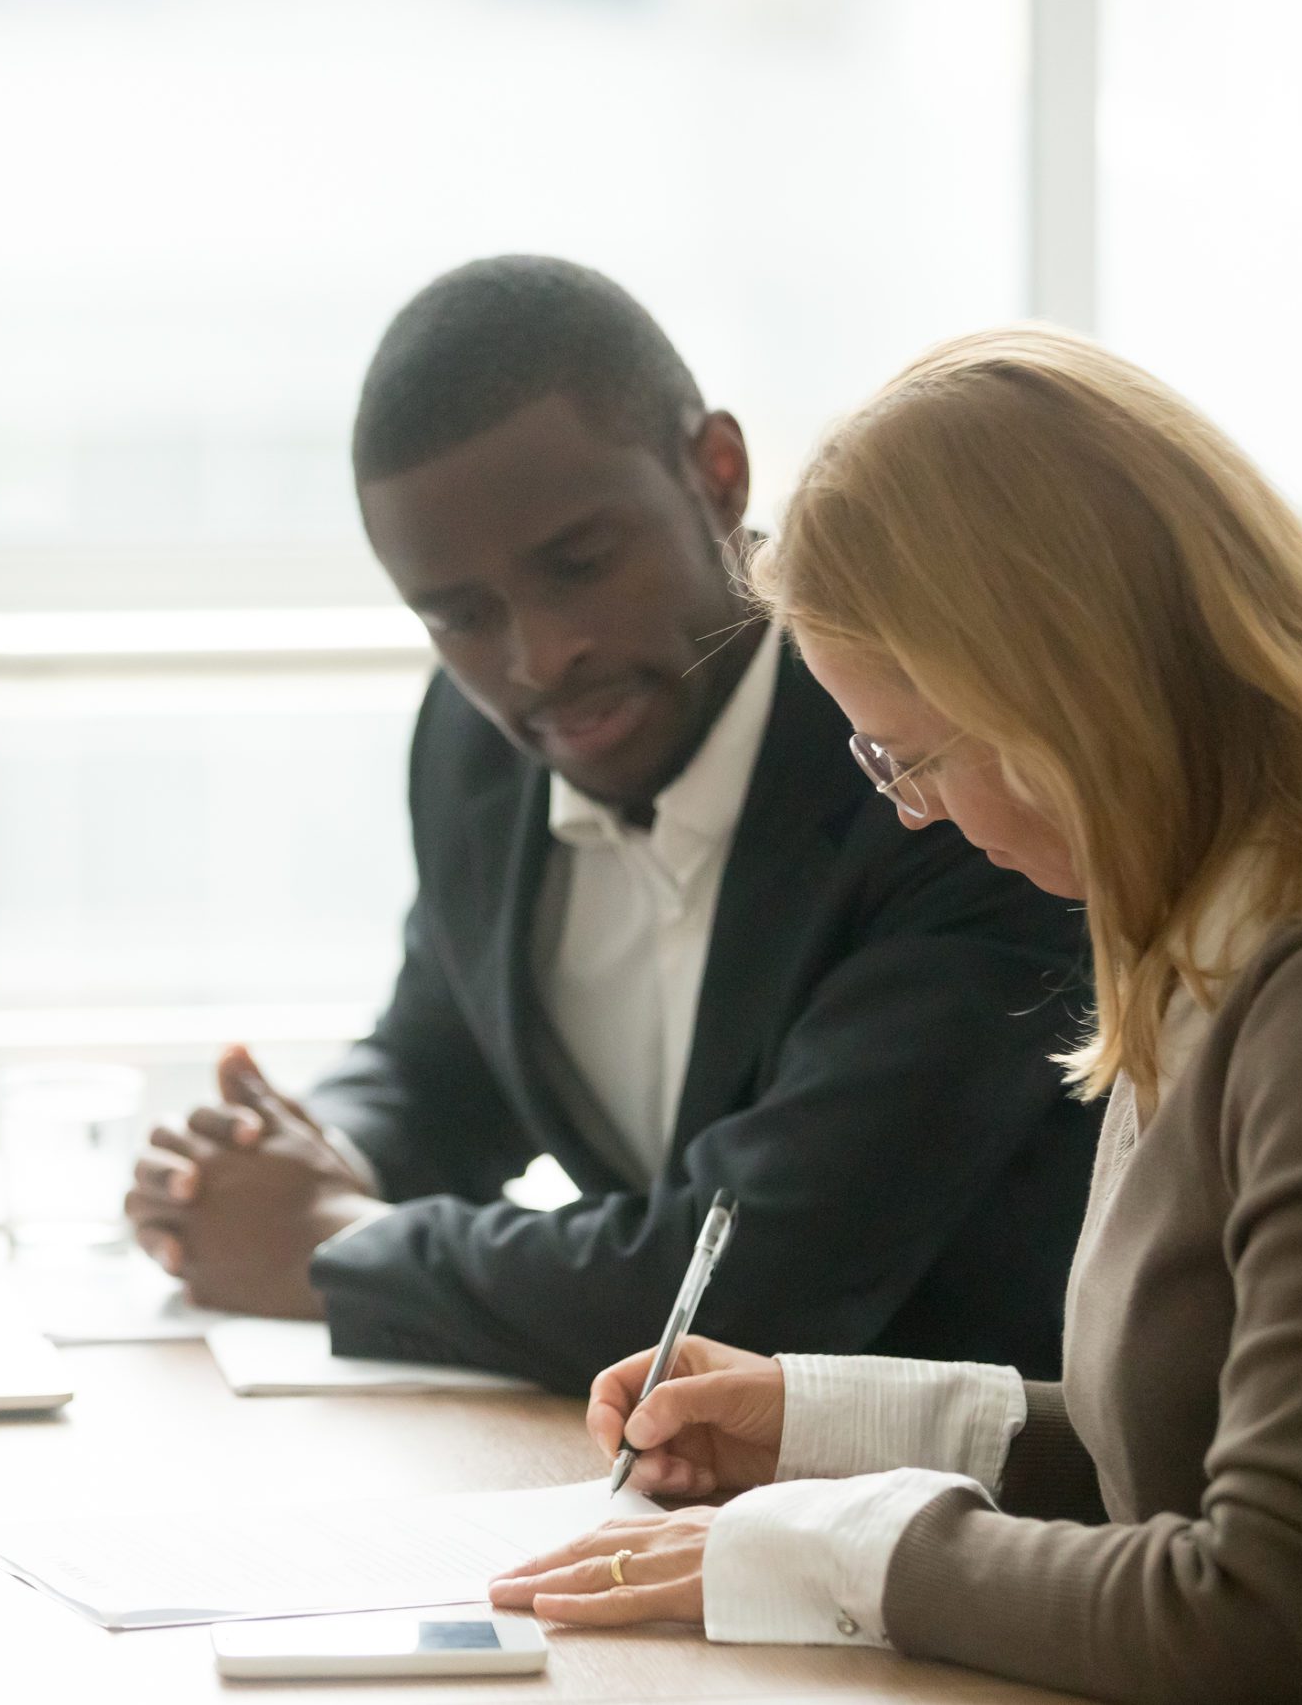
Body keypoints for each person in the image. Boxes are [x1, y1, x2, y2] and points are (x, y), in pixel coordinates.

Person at [486, 326, 1302, 1704]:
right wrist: (823, 1423)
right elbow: (1188, 1445)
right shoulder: (1261, 893)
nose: (917, 811)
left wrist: (831, 1554)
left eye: (913, 756)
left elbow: (1277, 1606)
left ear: (1057, 694)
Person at [125, 256, 1103, 1392]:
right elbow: (446, 1057)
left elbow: (750, 1276)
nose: (537, 659)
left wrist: (334, 1247)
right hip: (653, 1480)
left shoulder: (939, 768)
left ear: (718, 475)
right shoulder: (476, 745)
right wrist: (292, 1160)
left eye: (579, 566)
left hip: (986, 1498)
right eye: (459, 616)